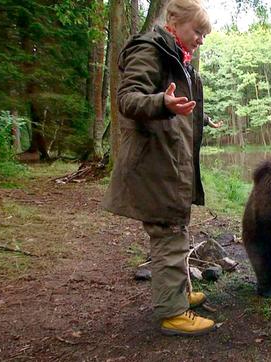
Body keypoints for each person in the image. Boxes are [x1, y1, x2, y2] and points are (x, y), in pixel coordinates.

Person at [101, 0, 222, 336]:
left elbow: (178, 109)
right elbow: (127, 99)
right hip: (156, 163)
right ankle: (172, 313)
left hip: (173, 162)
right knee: (168, 233)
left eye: (204, 34)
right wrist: (161, 103)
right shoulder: (150, 49)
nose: (201, 40)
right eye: (197, 31)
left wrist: (201, 118)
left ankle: (178, 293)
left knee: (177, 229)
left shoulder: (179, 58)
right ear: (174, 20)